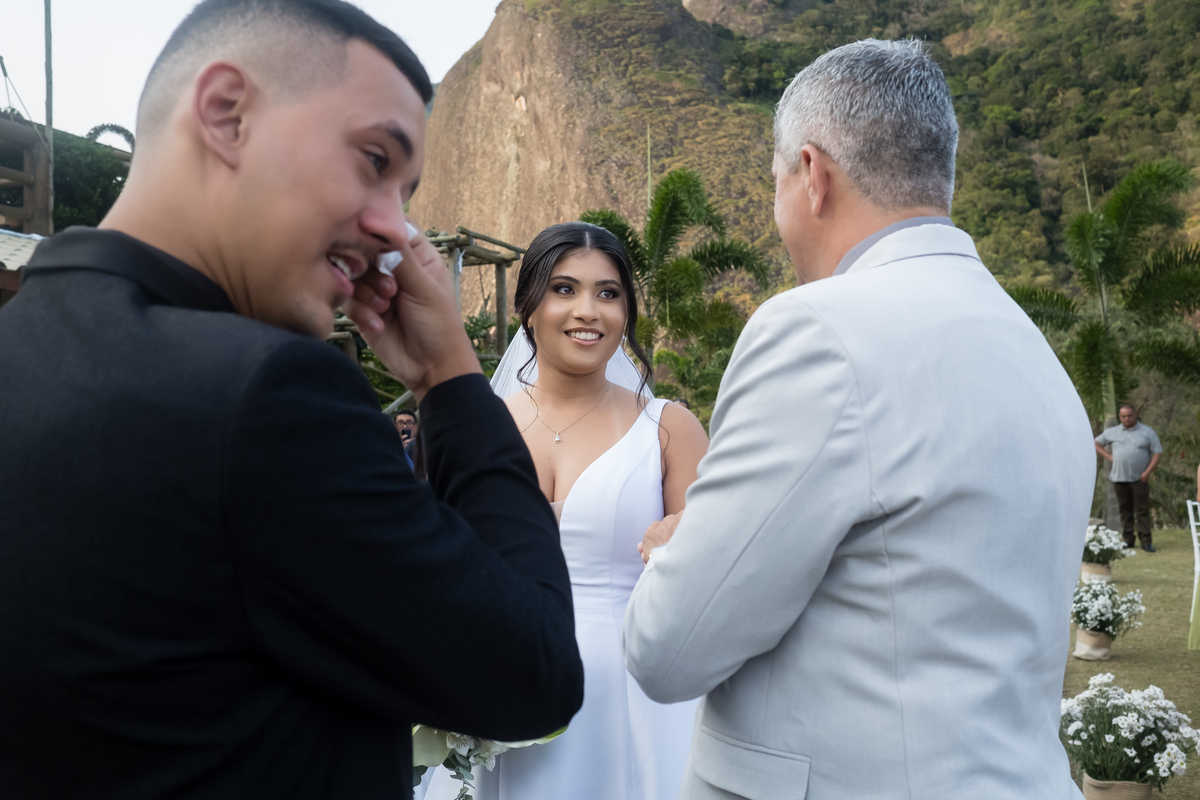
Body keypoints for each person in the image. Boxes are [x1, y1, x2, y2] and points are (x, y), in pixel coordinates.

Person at [0, 2, 583, 798]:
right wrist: (452, 378)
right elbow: (533, 671)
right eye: (375, 160)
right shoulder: (263, 397)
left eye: (406, 192)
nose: (393, 229)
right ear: (226, 113)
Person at [622, 39, 1095, 800]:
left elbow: (670, 649)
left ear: (812, 175)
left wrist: (681, 546)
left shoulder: (816, 331)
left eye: (775, 181)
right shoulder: (1032, 350)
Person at [422, 222, 709, 800]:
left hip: (635, 696)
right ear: (529, 306)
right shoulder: (476, 431)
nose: (589, 311)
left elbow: (716, 572)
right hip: (506, 685)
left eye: (609, 293)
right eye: (564, 289)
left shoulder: (668, 429)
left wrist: (692, 531)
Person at [1095, 404, 1162, 552]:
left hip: (1139, 478)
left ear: (1135, 415)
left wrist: (1148, 472)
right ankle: (1127, 540)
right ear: (1120, 417)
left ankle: (1146, 541)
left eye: (1129, 415)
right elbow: (1096, 443)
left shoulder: (1147, 432)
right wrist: (1108, 456)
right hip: (1119, 478)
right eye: (1123, 416)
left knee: (1142, 511)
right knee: (1125, 511)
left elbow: (1157, 453)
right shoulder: (1112, 432)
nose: (1127, 419)